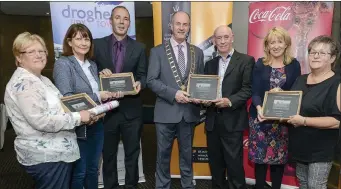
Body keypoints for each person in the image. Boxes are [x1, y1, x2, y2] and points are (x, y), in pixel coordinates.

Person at [4, 32, 93, 189]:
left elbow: (61, 106)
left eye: (41, 51)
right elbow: (41, 121)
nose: (38, 55)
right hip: (47, 158)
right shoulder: (25, 83)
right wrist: (79, 117)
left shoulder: (41, 79)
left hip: (55, 153)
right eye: (31, 51)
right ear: (19, 57)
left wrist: (88, 114)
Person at [147, 11, 204, 189]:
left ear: (189, 27)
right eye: (177, 24)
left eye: (185, 24)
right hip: (165, 113)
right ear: (170, 26)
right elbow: (151, 81)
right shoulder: (157, 51)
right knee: (163, 156)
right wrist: (174, 94)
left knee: (187, 156)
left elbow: (200, 82)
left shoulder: (198, 52)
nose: (181, 28)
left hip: (188, 114)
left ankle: (188, 186)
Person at [53, 24, 114, 189]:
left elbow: (95, 92)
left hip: (97, 123)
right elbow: (67, 98)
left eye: (86, 38)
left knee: (93, 170)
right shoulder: (63, 64)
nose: (83, 42)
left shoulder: (92, 65)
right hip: (79, 128)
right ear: (69, 42)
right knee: (80, 172)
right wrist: (98, 96)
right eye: (78, 38)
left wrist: (107, 89)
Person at [92, 6, 147, 189]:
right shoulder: (97, 45)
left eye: (125, 19)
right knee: (108, 155)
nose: (122, 22)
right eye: (118, 18)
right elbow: (90, 74)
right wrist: (99, 73)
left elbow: (142, 75)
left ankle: (131, 186)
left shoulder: (139, 48)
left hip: (132, 111)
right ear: (111, 21)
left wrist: (140, 83)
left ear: (129, 23)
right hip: (106, 111)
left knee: (132, 154)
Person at [248, 27, 301, 189]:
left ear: (286, 44)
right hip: (261, 119)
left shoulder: (294, 64)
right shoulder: (260, 64)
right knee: (260, 160)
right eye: (272, 42)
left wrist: (282, 95)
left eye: (280, 41)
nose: (276, 45)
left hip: (282, 120)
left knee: (279, 160)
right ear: (267, 45)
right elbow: (255, 90)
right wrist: (258, 108)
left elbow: (296, 91)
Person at [202, 25, 255, 189]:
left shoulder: (246, 60)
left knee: (234, 165)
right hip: (212, 121)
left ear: (232, 37)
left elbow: (248, 89)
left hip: (233, 120)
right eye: (219, 38)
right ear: (214, 41)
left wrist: (229, 101)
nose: (223, 41)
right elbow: (205, 90)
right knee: (216, 164)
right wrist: (204, 100)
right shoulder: (209, 64)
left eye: (226, 37)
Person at [288, 35, 340, 189]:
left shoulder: (337, 83)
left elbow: (337, 121)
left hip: (321, 149)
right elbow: (292, 106)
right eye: (312, 52)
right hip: (299, 145)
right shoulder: (300, 80)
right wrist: (279, 96)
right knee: (303, 184)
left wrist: (304, 121)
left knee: (315, 186)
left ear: (332, 58)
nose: (316, 56)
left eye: (322, 53)